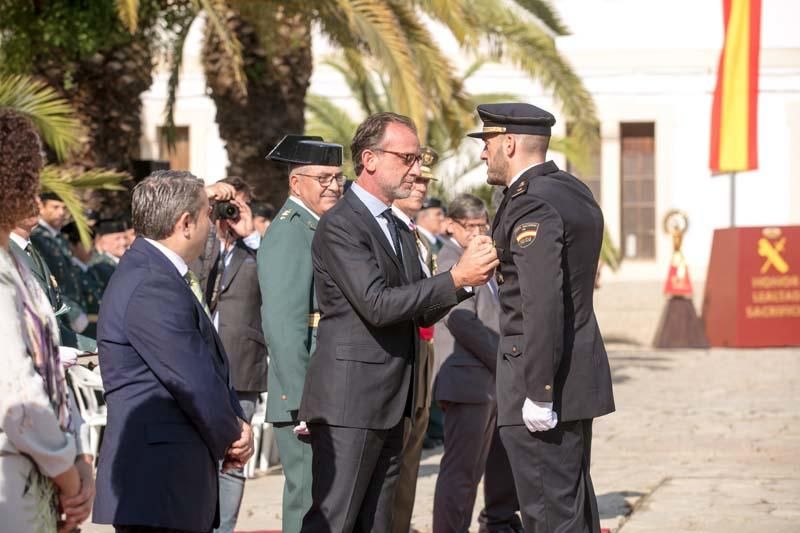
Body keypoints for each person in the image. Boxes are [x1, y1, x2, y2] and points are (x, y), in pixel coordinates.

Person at [298, 112, 499, 533]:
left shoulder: (394, 224)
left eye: (418, 157)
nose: (415, 168)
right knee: (336, 520)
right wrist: (455, 277)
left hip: (393, 402)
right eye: (406, 157)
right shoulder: (342, 224)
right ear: (369, 159)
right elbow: (376, 304)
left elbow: (420, 309)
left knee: (379, 523)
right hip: (351, 403)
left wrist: (462, 285)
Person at [469, 102, 615, 532]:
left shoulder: (531, 205)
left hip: (539, 381)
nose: (483, 154)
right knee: (571, 505)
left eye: (488, 143)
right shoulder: (572, 190)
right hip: (573, 371)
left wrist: (540, 391)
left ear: (509, 143)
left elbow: (541, 302)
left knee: (548, 515)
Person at [93, 171, 254, 533]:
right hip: (158, 483)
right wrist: (234, 434)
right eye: (207, 215)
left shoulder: (156, 271)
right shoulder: (152, 282)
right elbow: (192, 378)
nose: (212, 224)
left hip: (167, 481)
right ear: (185, 223)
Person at [0, 108, 93, 532]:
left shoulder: (17, 264)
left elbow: (48, 365)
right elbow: (15, 388)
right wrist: (68, 475)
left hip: (39, 473)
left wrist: (77, 455)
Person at [259, 135, 344, 533]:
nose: (333, 186)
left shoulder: (316, 227)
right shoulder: (290, 232)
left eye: (338, 179)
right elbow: (284, 327)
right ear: (296, 183)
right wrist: (301, 400)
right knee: (308, 502)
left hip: (321, 390)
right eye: (323, 178)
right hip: (303, 395)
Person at [432, 194, 522, 533]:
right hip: (467, 382)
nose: (477, 232)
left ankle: (497, 522)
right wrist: (506, 360)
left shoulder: (488, 259)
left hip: (493, 382)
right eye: (469, 227)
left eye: (482, 224)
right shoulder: (450, 260)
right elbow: (461, 321)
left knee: (500, 464)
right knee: (462, 471)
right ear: (451, 226)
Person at [190, 175, 268, 533]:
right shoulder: (197, 244)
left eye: (233, 204)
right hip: (197, 364)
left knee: (235, 459)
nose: (226, 211)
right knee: (197, 453)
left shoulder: (257, 250)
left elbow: (280, 283)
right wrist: (205, 214)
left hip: (242, 364)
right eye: (220, 204)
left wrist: (250, 234)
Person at [388, 146, 440, 533]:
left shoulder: (418, 240)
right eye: (416, 179)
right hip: (395, 351)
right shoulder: (387, 231)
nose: (421, 187)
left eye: (425, 181)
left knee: (411, 455)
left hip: (423, 347)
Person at [30, 193, 90, 334]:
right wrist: (71, 311)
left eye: (63, 208)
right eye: (55, 207)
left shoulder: (59, 239)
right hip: (59, 313)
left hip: (73, 312)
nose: (61, 212)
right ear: (41, 208)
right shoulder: (37, 238)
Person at [62, 221, 104, 338]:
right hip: (83, 332)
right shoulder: (70, 273)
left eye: (92, 244)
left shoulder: (93, 271)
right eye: (85, 244)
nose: (91, 249)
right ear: (73, 245)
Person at [89, 218, 129, 290]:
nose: (124, 243)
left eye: (125, 238)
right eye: (117, 238)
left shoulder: (127, 262)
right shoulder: (99, 265)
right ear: (102, 242)